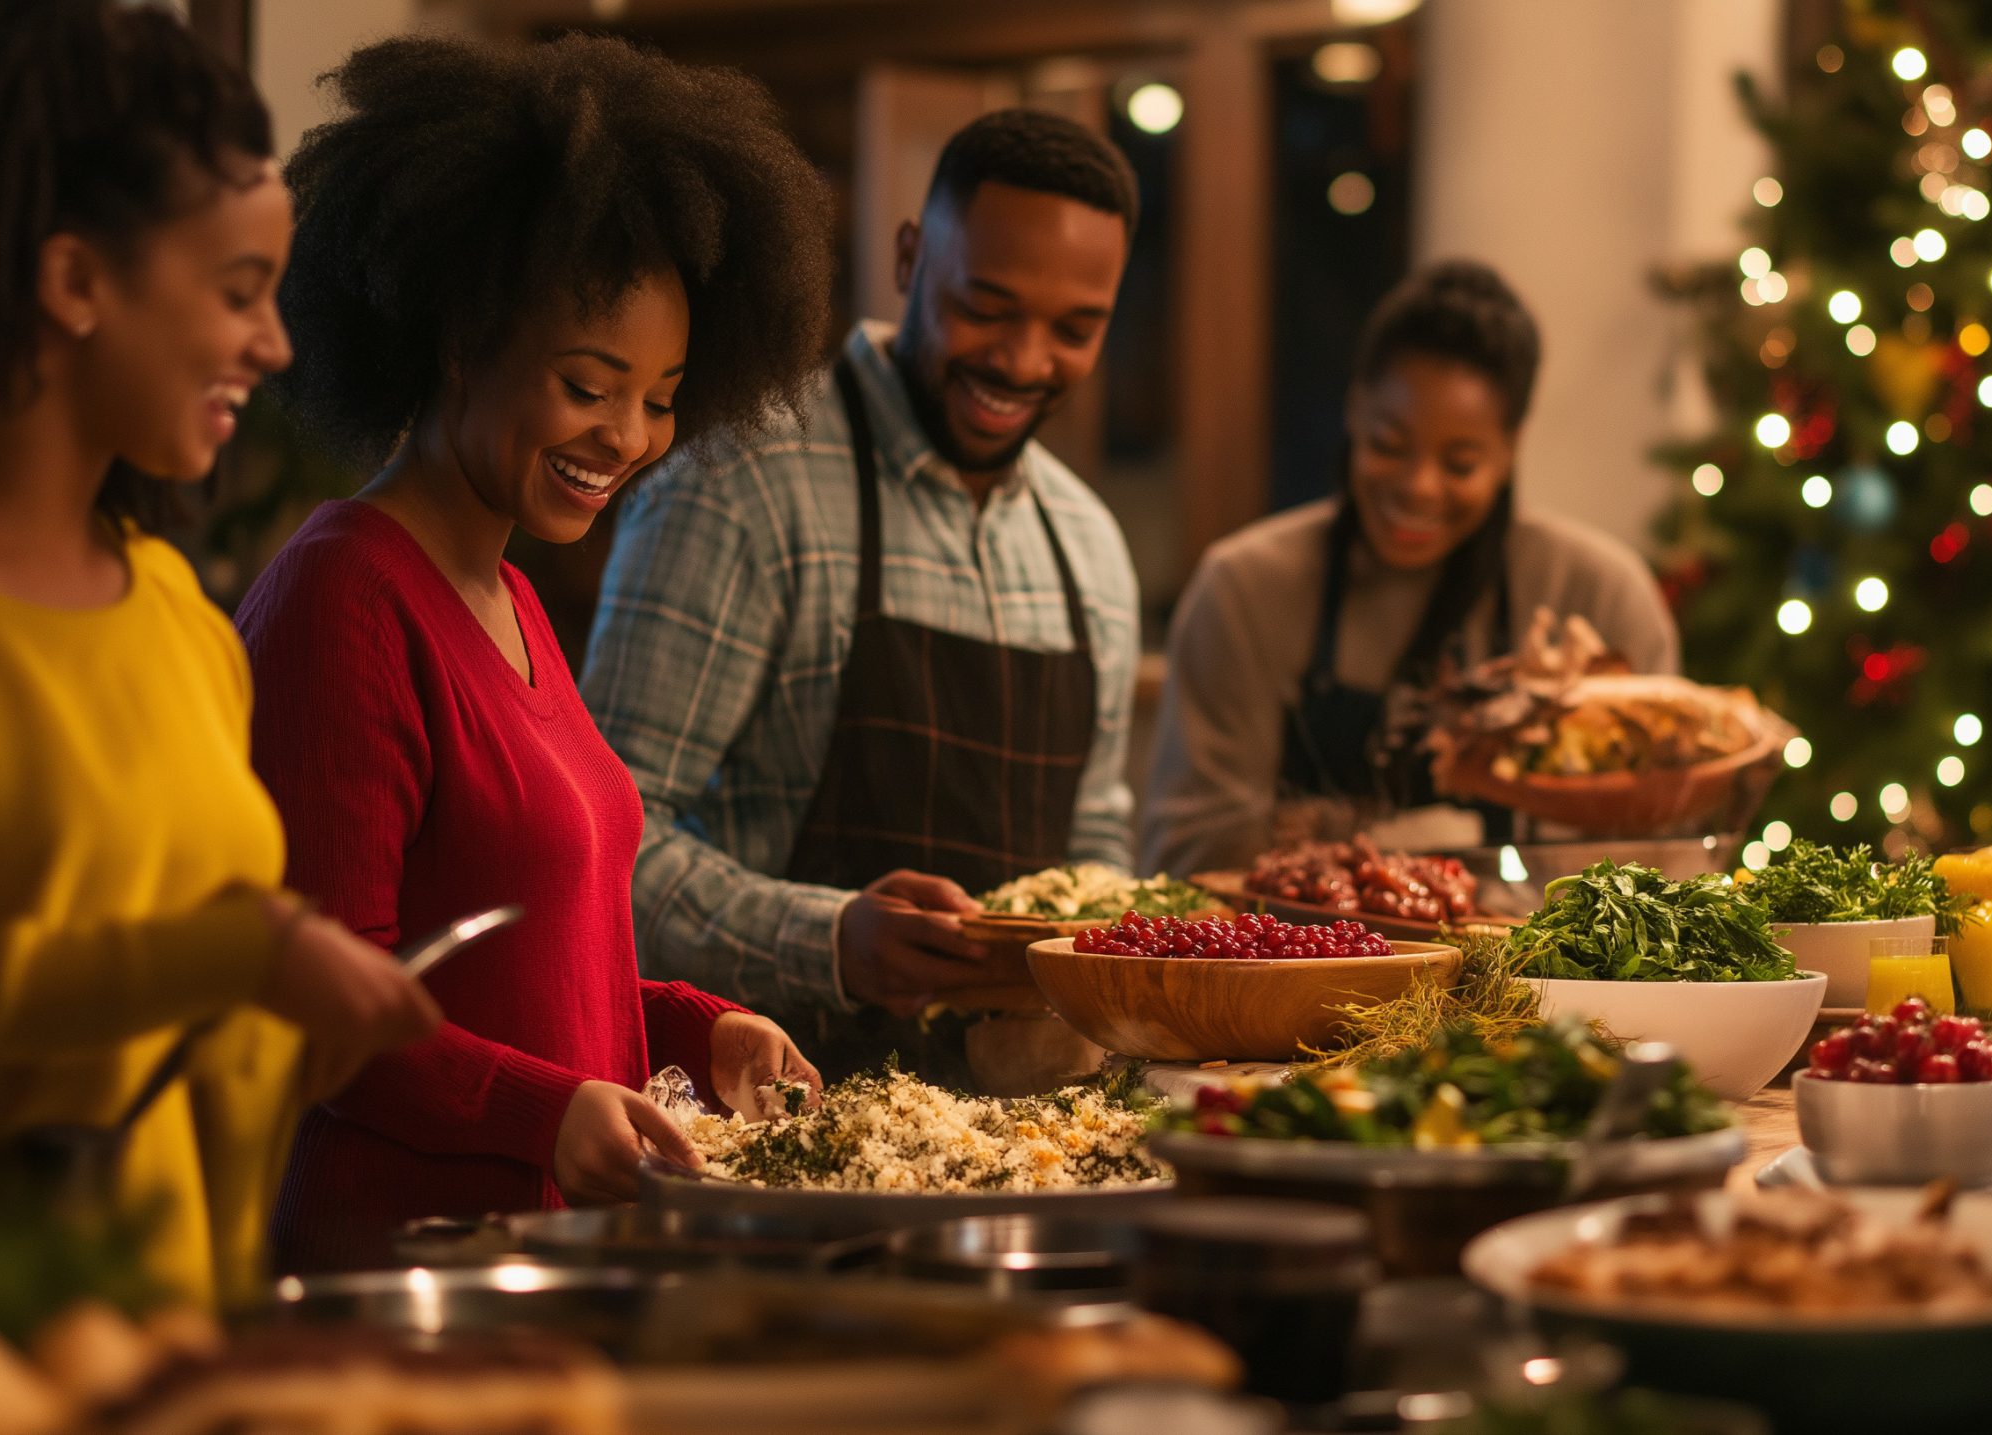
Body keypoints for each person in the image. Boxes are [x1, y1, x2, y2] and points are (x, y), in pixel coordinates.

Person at [236, 33, 833, 1272]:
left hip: (553, 1271)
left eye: (662, 396)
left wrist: (694, 1029)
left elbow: (526, 975)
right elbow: (322, 1012)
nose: (626, 435)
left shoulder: (508, 591)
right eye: (586, 383)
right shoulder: (343, 594)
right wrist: (539, 1114)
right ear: (459, 335)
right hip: (410, 1280)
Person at [0, 0, 441, 1306]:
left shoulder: (177, 616)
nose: (273, 345)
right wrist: (246, 955)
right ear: (78, 281)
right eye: (238, 292)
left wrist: (298, 1026)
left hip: (163, 1339)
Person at [583, 109, 1142, 1087]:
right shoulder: (738, 483)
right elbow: (600, 850)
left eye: (1074, 328)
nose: (1021, 359)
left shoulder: (1088, 545)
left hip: (1036, 1141)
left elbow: (1095, 847)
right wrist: (831, 938)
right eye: (987, 305)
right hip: (774, 1128)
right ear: (909, 256)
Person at [1141, 261, 1681, 876]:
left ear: (1510, 450)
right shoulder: (1245, 590)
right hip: (1299, 961)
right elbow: (1186, 854)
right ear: (1354, 412)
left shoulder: (1597, 596)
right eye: (1388, 445)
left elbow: (1652, 850)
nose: (1418, 487)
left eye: (1459, 464)